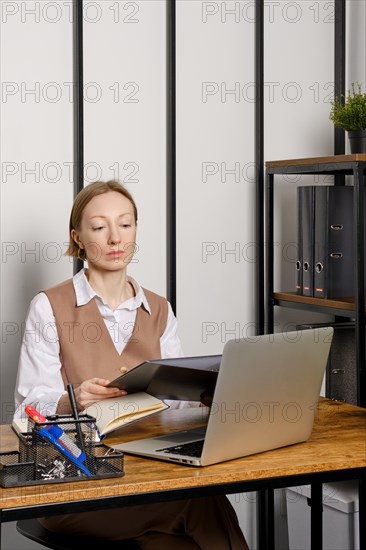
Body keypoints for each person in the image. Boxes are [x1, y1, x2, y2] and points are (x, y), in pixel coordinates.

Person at [14, 180, 249, 549]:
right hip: (72, 484)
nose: (114, 238)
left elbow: (178, 404)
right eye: (99, 226)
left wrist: (202, 394)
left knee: (172, 543)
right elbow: (27, 410)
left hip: (150, 473)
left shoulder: (159, 309)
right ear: (77, 237)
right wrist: (69, 401)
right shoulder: (48, 306)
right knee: (202, 502)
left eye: (125, 224)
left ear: (136, 231)